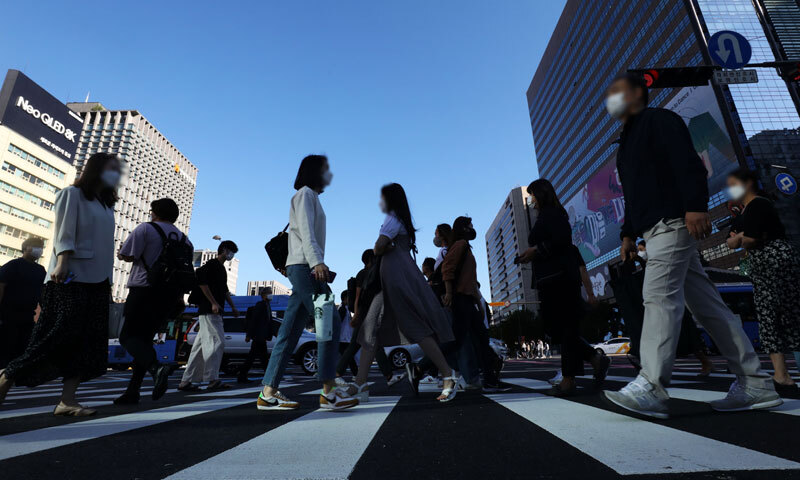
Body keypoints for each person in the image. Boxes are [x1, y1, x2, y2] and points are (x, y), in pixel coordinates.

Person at [602, 73, 778, 418]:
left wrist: (696, 206)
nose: (613, 99)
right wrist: (627, 234)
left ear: (639, 93)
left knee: (658, 296)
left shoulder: (659, 120)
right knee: (708, 306)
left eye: (619, 92)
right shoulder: (625, 144)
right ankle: (755, 383)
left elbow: (689, 164)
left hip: (672, 223)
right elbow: (633, 196)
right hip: (653, 229)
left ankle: (651, 385)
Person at [0, 153, 120, 415]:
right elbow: (65, 230)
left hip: (99, 280)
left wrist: (108, 283)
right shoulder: (72, 194)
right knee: (54, 335)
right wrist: (63, 260)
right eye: (112, 168)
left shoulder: (107, 205)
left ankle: (67, 401)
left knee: (87, 341)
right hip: (69, 275)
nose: (116, 174)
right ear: (97, 169)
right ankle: (6, 377)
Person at [258, 155, 357, 411]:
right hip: (305, 267)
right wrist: (316, 263)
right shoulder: (305, 194)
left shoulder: (310, 197)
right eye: (326, 170)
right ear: (315, 172)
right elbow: (305, 231)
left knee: (289, 332)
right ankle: (328, 390)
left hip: (302, 266)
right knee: (329, 322)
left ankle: (268, 393)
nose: (330, 176)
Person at [352, 183, 458, 403]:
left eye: (382, 198)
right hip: (390, 279)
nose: (380, 202)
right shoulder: (401, 219)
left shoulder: (393, 217)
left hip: (394, 279)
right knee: (371, 327)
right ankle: (360, 382)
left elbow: (378, 247)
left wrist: (386, 247)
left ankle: (448, 375)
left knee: (414, 326)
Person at [516, 179, 609, 396]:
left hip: (560, 280)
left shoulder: (553, 214)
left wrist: (535, 251)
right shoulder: (547, 215)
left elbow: (562, 240)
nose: (531, 201)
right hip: (550, 279)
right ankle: (595, 358)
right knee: (557, 329)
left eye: (532, 196)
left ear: (542, 194)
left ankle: (569, 379)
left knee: (566, 329)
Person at [726, 167, 800, 393]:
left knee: (787, 315)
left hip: (774, 262)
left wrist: (740, 238)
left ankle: (783, 375)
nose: (731, 190)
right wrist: (739, 238)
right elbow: (732, 241)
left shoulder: (759, 204)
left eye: (733, 185)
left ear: (747, 183)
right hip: (764, 267)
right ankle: (781, 376)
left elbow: (749, 240)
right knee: (770, 319)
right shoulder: (745, 211)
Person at [114, 198, 192, 404]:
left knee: (128, 336)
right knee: (145, 340)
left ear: (155, 213)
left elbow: (126, 254)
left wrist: (122, 253)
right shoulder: (185, 240)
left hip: (143, 290)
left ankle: (157, 368)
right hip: (168, 296)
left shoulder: (146, 229)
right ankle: (133, 391)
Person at [444, 216, 508, 392]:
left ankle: (490, 379)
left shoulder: (466, 247)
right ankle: (423, 365)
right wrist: (449, 292)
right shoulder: (461, 245)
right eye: (470, 226)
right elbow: (447, 268)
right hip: (460, 299)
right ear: (464, 228)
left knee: (481, 340)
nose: (473, 228)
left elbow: (470, 281)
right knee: (458, 340)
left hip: (468, 300)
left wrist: (479, 304)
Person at [179, 240, 240, 392]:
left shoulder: (221, 269)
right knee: (216, 342)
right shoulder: (212, 265)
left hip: (212, 310)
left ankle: (186, 380)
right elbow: (201, 281)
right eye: (231, 252)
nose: (231, 255)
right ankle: (213, 378)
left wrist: (232, 307)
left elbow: (225, 290)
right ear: (225, 250)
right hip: (209, 310)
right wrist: (213, 302)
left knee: (199, 348)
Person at [335, 250, 399, 386]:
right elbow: (358, 296)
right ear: (370, 259)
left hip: (370, 313)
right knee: (358, 344)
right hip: (365, 314)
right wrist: (357, 315)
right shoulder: (364, 274)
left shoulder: (372, 273)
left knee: (373, 345)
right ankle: (337, 372)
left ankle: (389, 376)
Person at [0, 237, 46, 369]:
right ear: (26, 248)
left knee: (22, 350)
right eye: (36, 246)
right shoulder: (13, 265)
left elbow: (43, 293)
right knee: (5, 350)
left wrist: (46, 311)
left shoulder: (41, 270)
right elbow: (1, 286)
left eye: (41, 247)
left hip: (27, 317)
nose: (40, 250)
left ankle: (10, 377)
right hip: (8, 316)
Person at [237, 287, 274, 384]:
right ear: (264, 295)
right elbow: (254, 321)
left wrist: (273, 333)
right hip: (258, 336)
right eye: (269, 293)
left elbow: (269, 322)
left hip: (261, 337)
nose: (271, 295)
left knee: (260, 357)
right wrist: (249, 335)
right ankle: (243, 376)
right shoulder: (260, 305)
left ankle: (243, 375)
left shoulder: (267, 305)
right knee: (258, 357)